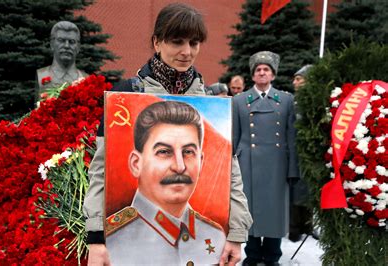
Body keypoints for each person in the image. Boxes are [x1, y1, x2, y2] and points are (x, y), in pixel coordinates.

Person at [83, 3, 252, 266]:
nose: (187, 52)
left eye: (194, 43)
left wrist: (236, 234)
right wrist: (95, 239)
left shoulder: (209, 101)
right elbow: (100, 173)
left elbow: (232, 174)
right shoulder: (125, 94)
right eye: (177, 42)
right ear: (157, 42)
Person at [106, 101, 226, 264]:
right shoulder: (110, 241)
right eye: (164, 152)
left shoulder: (215, 235)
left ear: (201, 162)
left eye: (188, 152)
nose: (179, 166)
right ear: (136, 164)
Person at [232, 51, 299, 266]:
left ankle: (272, 256)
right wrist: (228, 167)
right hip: (246, 164)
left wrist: (292, 169)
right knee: (247, 209)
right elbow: (234, 135)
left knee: (275, 211)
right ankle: (252, 254)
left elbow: (291, 136)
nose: (262, 72)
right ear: (252, 76)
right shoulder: (239, 101)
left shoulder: (287, 100)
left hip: (277, 165)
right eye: (258, 70)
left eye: (266, 70)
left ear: (273, 75)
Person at [289, 64, 314, 242]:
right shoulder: (291, 102)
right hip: (293, 153)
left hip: (310, 155)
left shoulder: (314, 101)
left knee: (309, 190)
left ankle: (308, 225)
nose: (295, 82)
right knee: (295, 192)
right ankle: (294, 228)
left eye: (299, 79)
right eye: (295, 79)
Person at [36, 21, 87, 95]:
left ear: (78, 47)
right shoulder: (41, 75)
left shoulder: (86, 80)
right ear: (52, 44)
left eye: (71, 42)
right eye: (61, 40)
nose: (66, 46)